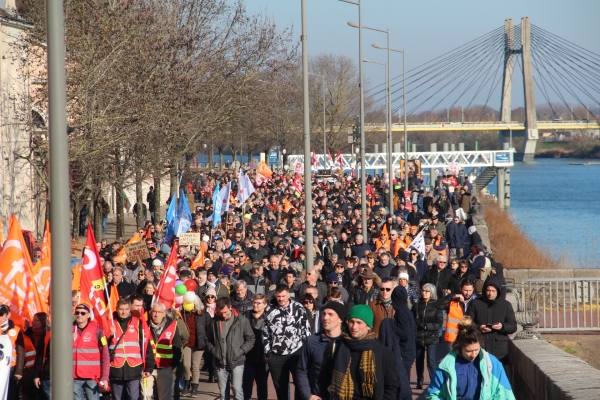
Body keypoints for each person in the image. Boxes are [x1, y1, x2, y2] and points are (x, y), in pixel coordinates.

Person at [425, 317, 516, 400]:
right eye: (468, 351)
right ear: (459, 347)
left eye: (476, 349)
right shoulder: (445, 366)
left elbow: (505, 394)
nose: (473, 354)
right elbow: (433, 394)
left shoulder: (493, 364)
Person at [323, 305, 399, 400]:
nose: (354, 327)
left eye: (359, 323)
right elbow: (324, 379)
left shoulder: (383, 353)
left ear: (368, 326)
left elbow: (391, 386)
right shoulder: (335, 348)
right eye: (351, 322)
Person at [262, 284, 311, 400]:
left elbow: (306, 330)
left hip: (296, 352)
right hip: (276, 355)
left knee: (300, 385)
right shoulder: (269, 310)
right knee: (281, 389)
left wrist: (307, 352)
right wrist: (268, 353)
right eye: (278, 296)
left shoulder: (299, 308)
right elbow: (265, 333)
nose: (281, 299)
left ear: (288, 295)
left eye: (283, 296)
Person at [206, 298, 255, 400]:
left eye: (225, 312)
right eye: (221, 313)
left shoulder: (242, 320)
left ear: (230, 307)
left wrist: (241, 351)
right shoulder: (214, 322)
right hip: (220, 361)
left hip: (237, 360)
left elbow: (251, 339)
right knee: (223, 392)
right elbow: (207, 339)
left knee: (237, 389)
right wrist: (214, 351)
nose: (223, 315)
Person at [296, 301, 346, 400]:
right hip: (318, 395)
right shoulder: (312, 341)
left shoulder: (347, 343)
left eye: (330, 314)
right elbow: (302, 370)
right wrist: (308, 395)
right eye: (324, 314)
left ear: (340, 319)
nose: (325, 317)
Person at [109, 299, 154, 400]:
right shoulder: (110, 323)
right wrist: (110, 336)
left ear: (130, 309)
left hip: (134, 367)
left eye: (126, 309)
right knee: (118, 398)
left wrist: (149, 368)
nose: (124, 312)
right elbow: (103, 347)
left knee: (133, 397)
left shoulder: (138, 323)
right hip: (116, 368)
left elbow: (146, 346)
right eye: (121, 309)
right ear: (116, 309)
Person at [466, 276, 517, 365]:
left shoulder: (506, 305)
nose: (490, 293)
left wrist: (502, 326)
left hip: (499, 350)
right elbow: (467, 323)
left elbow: (513, 326)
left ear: (498, 291)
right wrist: (479, 327)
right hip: (479, 347)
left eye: (493, 291)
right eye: (488, 290)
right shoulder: (475, 303)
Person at [70, 304, 110, 400]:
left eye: (83, 313)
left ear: (88, 315)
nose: (79, 315)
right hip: (73, 376)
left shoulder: (98, 330)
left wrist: (104, 378)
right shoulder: (68, 330)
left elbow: (105, 355)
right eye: (77, 313)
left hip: (92, 377)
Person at [147, 302, 182, 400]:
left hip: (165, 368)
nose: (156, 314)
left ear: (164, 314)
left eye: (159, 312)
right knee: (146, 396)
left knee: (164, 397)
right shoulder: (145, 326)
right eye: (154, 311)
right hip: (148, 368)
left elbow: (177, 346)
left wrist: (173, 365)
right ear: (150, 312)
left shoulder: (173, 326)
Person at [413, 283, 443, 389]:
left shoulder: (436, 305)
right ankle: (419, 381)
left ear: (432, 293)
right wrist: (416, 324)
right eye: (423, 290)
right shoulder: (417, 305)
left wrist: (426, 326)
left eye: (427, 291)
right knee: (419, 360)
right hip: (419, 336)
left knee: (431, 360)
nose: (424, 293)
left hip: (432, 336)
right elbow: (412, 319)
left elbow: (439, 323)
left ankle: (433, 381)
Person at [182, 295, 210, 396]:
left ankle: (194, 387)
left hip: (199, 344)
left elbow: (208, 329)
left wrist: (206, 341)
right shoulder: (183, 314)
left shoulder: (204, 315)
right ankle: (186, 383)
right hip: (186, 344)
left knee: (195, 366)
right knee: (186, 365)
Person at [242, 294, 270, 400]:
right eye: (254, 302)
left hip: (263, 358)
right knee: (246, 385)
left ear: (265, 304)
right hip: (248, 357)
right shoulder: (246, 315)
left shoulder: (269, 318)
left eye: (259, 303)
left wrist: (268, 355)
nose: (255, 305)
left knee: (262, 386)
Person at [436, 278, 478, 345]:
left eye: (470, 290)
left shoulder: (477, 301)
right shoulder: (454, 301)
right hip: (455, 338)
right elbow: (438, 305)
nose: (467, 293)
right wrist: (453, 296)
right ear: (460, 288)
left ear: (473, 289)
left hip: (470, 337)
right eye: (465, 290)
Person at [391, 286, 417, 378]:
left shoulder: (401, 312)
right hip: (409, 351)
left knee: (403, 384)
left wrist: (392, 325)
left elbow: (405, 334)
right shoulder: (406, 310)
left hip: (405, 353)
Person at [0, 304, 24, 400]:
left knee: (11, 395)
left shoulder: (16, 330)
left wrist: (18, 371)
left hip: (10, 368)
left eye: (1, 314)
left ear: (8, 315)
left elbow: (21, 352)